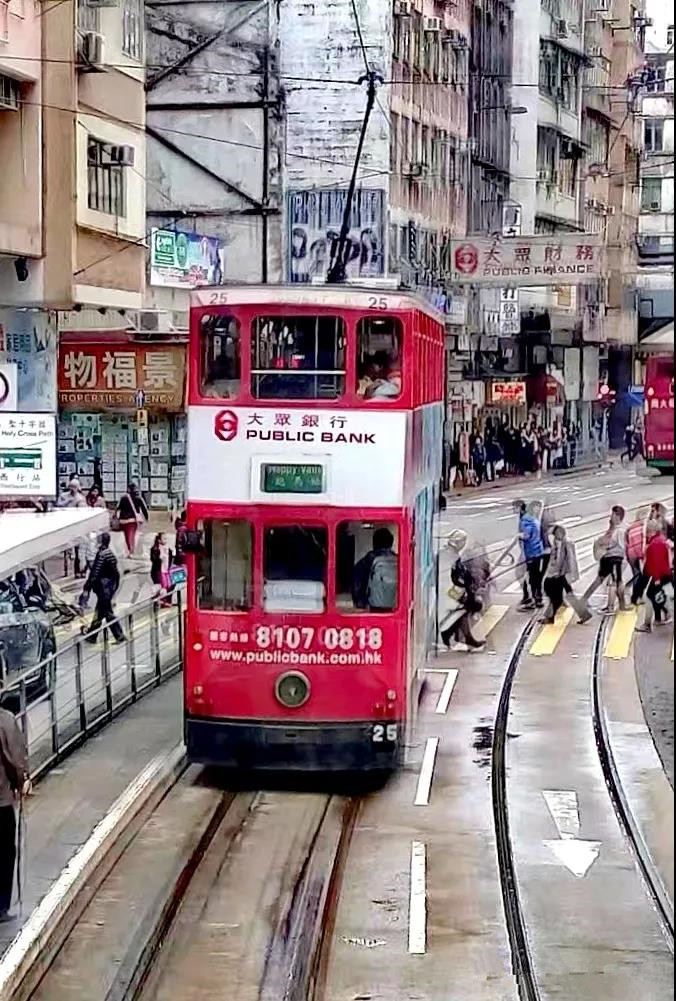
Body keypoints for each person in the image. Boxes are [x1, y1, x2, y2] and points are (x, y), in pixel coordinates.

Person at [0, 706, 29, 922]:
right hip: (1, 800)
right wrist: (21, 781)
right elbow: (15, 758)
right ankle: (1, 905)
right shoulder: (5, 720)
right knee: (5, 852)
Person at [440, 530, 489, 651]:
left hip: (451, 590)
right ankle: (455, 634)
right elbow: (450, 578)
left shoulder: (450, 554)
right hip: (448, 591)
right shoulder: (450, 556)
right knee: (468, 606)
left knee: (465, 608)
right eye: (463, 541)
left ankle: (459, 635)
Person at [583, 505, 627, 614]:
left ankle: (611, 607)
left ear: (618, 516)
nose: (611, 516)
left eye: (613, 514)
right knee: (601, 580)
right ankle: (584, 599)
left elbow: (622, 547)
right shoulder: (613, 527)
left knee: (613, 582)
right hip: (607, 559)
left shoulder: (620, 530)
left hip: (615, 559)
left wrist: (606, 545)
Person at [543, 525, 591, 624]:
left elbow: (570, 560)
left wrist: (564, 573)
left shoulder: (566, 543)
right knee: (567, 594)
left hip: (561, 573)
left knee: (554, 594)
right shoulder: (558, 542)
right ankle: (584, 614)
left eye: (556, 534)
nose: (555, 537)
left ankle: (550, 617)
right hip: (559, 573)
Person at [83, 533, 125, 644]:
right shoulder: (109, 553)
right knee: (100, 612)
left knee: (107, 613)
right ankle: (92, 635)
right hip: (108, 588)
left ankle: (119, 636)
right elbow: (116, 573)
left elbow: (95, 573)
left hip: (103, 588)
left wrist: (87, 587)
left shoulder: (101, 555)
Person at [637, 521, 673, 632]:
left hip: (660, 575)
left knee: (649, 596)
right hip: (665, 574)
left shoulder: (655, 544)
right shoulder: (660, 540)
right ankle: (661, 617)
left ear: (651, 531)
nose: (646, 534)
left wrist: (656, 579)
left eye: (647, 531)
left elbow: (656, 562)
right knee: (659, 595)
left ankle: (648, 624)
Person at [352, 528, 398, 611]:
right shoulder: (399, 560)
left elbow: (356, 584)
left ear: (374, 543)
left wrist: (360, 603)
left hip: (373, 606)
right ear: (391, 542)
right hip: (396, 606)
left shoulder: (367, 560)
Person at [516, 499, 544, 609]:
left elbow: (527, 536)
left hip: (530, 552)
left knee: (527, 576)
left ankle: (531, 599)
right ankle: (537, 598)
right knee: (536, 576)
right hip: (537, 551)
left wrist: (519, 536)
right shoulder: (533, 519)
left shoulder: (525, 520)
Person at [625, 505, 651, 605]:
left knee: (638, 574)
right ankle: (636, 598)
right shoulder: (641, 528)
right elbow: (639, 545)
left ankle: (634, 594)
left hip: (630, 554)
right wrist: (643, 556)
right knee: (640, 575)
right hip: (635, 555)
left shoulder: (633, 526)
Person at [115, 484, 149, 557]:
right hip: (132, 520)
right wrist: (146, 519)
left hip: (123, 520)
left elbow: (118, 508)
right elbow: (144, 509)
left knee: (126, 536)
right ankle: (131, 551)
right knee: (131, 535)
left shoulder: (123, 498)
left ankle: (129, 550)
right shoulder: (139, 498)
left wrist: (117, 517)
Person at [150, 533, 172, 608]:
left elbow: (170, 558)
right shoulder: (155, 549)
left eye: (166, 539)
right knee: (164, 586)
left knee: (168, 585)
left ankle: (159, 599)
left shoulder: (168, 549)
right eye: (164, 539)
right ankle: (163, 601)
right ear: (159, 540)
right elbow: (153, 559)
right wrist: (160, 558)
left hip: (166, 570)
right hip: (159, 571)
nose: (166, 540)